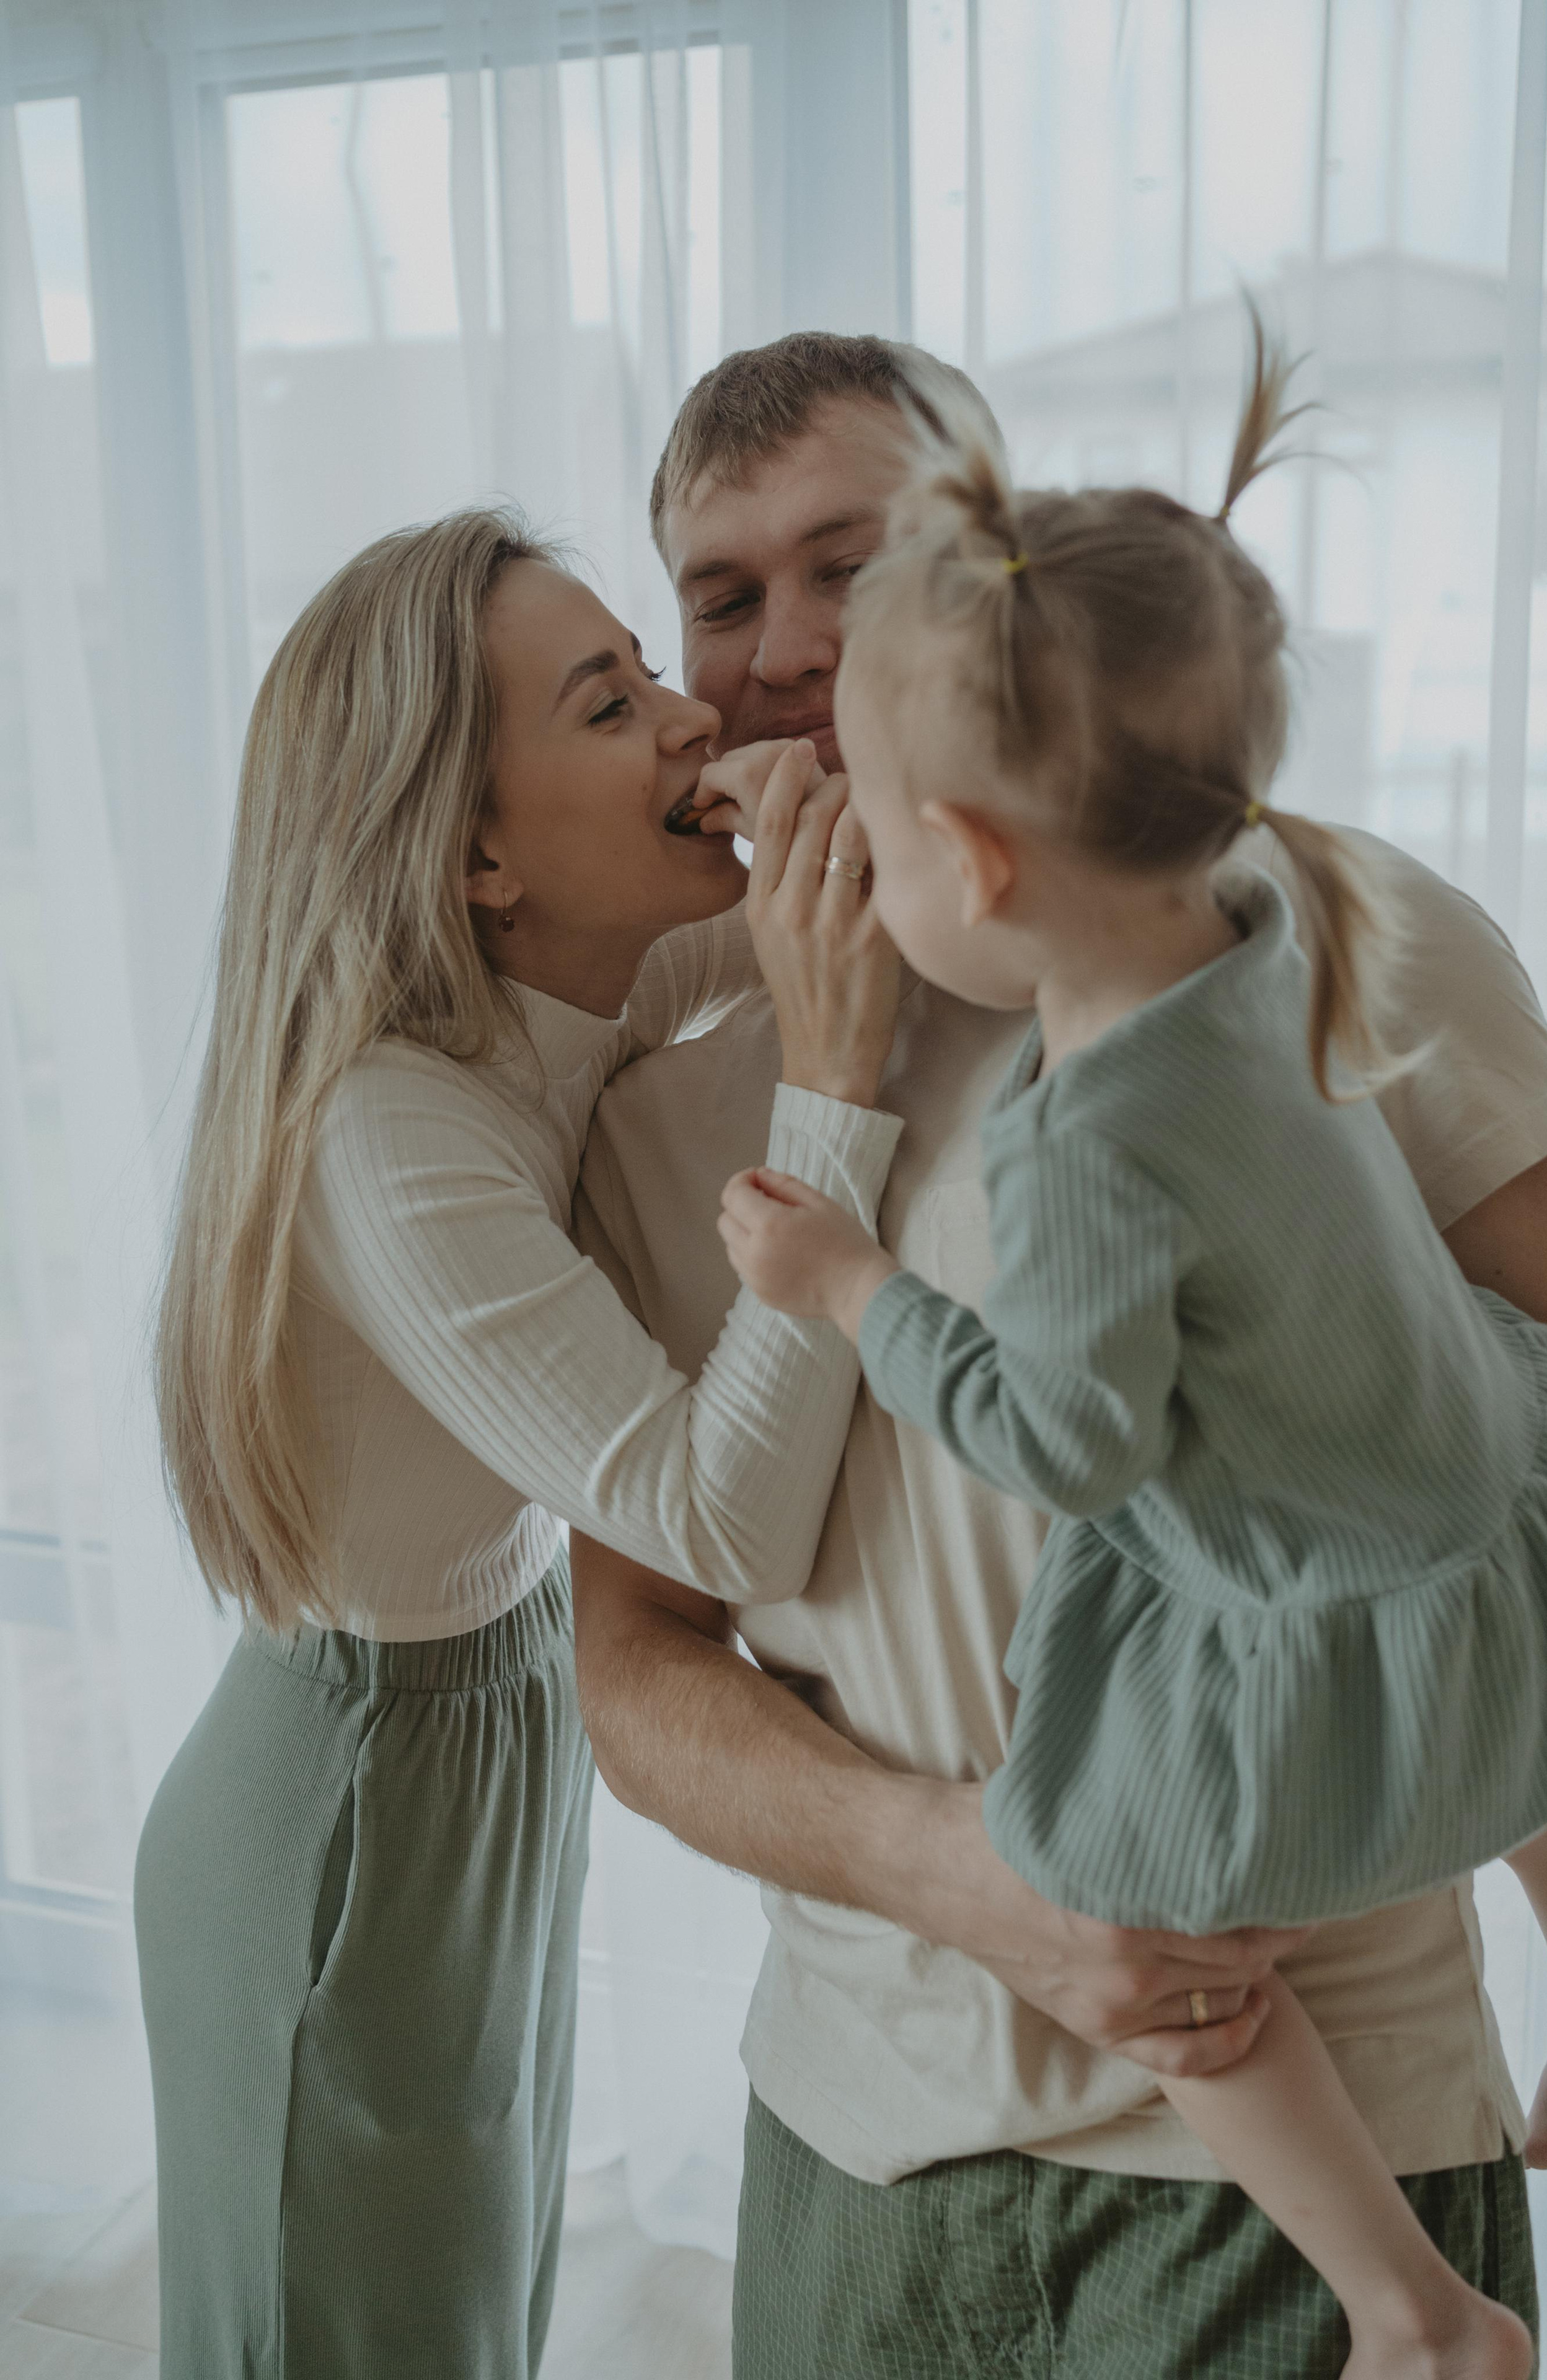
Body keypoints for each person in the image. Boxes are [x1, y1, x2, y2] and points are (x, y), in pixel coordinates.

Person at [572, 331, 1547, 2378]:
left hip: (1300, 2175)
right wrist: (979, 1880)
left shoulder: (1328, 941)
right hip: (847, 2156)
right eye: (721, 595)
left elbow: (1532, 1461)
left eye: (849, 567)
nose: (784, 653)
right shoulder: (665, 1113)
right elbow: (637, 1671)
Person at [134, 506, 908, 2379]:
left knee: (462, 2312)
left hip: (484, 1731)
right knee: (350, 2331)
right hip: (347, 1809)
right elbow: (713, 1519)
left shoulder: (549, 1000)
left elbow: (809, 912)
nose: (679, 715)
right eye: (608, 698)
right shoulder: (393, 1133)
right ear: (479, 847)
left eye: (651, 667)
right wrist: (835, 1102)